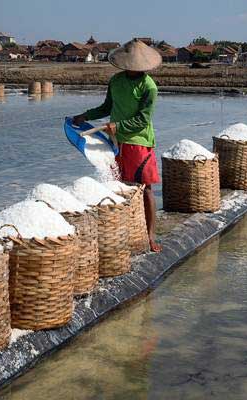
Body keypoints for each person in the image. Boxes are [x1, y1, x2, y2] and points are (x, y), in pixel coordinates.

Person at [73, 39, 163, 252]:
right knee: (120, 186)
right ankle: (126, 233)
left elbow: (143, 119)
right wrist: (85, 115)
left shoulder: (149, 86)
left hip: (139, 141)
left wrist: (118, 125)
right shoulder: (115, 81)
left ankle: (150, 235)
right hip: (116, 141)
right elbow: (107, 107)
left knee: (145, 188)